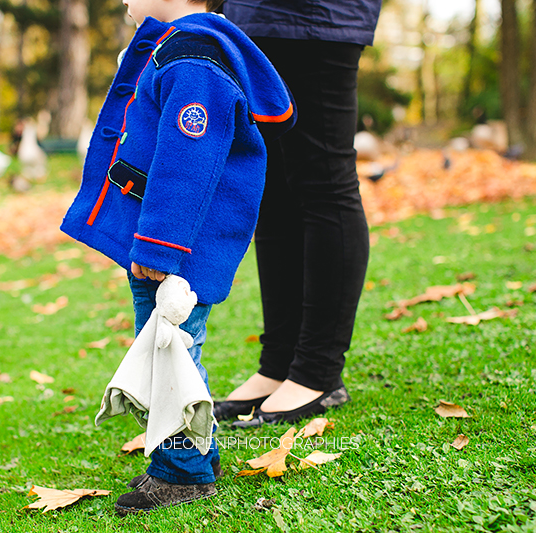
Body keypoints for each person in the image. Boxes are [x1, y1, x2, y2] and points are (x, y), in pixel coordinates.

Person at [59, 0, 295, 515]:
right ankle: (198, 456)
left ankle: (181, 473)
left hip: (177, 245)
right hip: (169, 240)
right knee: (173, 346)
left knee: (170, 353)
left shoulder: (193, 57)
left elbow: (188, 158)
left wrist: (160, 246)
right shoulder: (181, 45)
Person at [214, 0, 383, 427]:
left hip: (317, 18)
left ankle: (317, 372)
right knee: (272, 189)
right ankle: (278, 364)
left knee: (324, 181)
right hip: (252, 18)